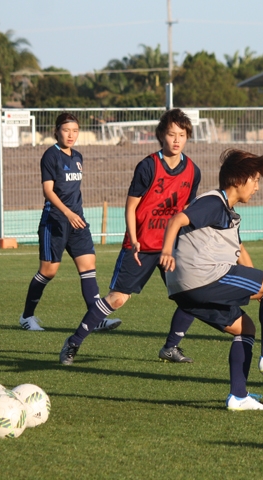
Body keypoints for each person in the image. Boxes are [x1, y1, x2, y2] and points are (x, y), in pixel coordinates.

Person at [159, 149, 263, 411]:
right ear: (239, 180)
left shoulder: (228, 213)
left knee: (245, 328)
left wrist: (258, 284)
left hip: (182, 290)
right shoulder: (214, 202)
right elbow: (177, 219)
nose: (257, 187)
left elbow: (241, 252)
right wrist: (167, 250)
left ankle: (238, 397)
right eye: (256, 180)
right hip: (203, 275)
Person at [59, 108, 201, 366]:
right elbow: (131, 206)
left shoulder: (193, 171)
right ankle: (73, 342)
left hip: (169, 247)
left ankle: (170, 347)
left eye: (182, 135)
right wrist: (134, 240)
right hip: (141, 245)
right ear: (161, 135)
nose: (177, 140)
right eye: (171, 134)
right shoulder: (148, 166)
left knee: (191, 295)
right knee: (117, 299)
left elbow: (185, 212)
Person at [19, 113, 120, 332]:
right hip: (54, 221)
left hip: (77, 222)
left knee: (88, 267)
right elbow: (48, 191)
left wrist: (75, 215)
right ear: (56, 131)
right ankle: (27, 317)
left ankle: (96, 318)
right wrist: (67, 213)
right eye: (66, 130)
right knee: (48, 271)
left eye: (75, 130)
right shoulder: (50, 156)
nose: (71, 135)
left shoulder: (78, 157)